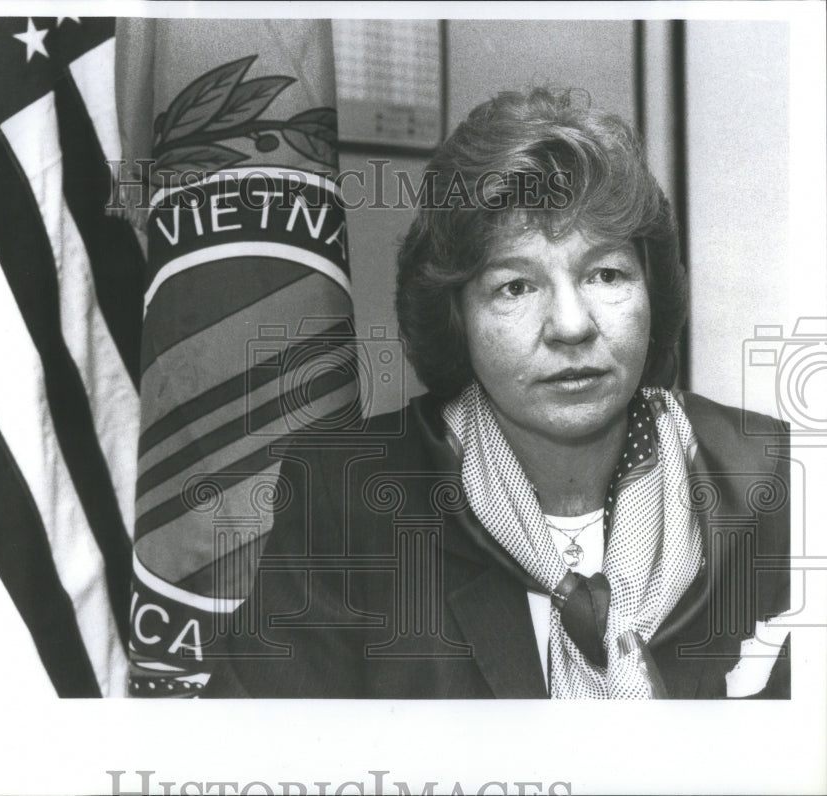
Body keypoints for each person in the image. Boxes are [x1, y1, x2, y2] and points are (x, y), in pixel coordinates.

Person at [203, 87, 791, 698]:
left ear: (652, 290)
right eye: (515, 287)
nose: (571, 324)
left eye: (607, 274)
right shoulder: (348, 497)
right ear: (456, 317)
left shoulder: (771, 479)